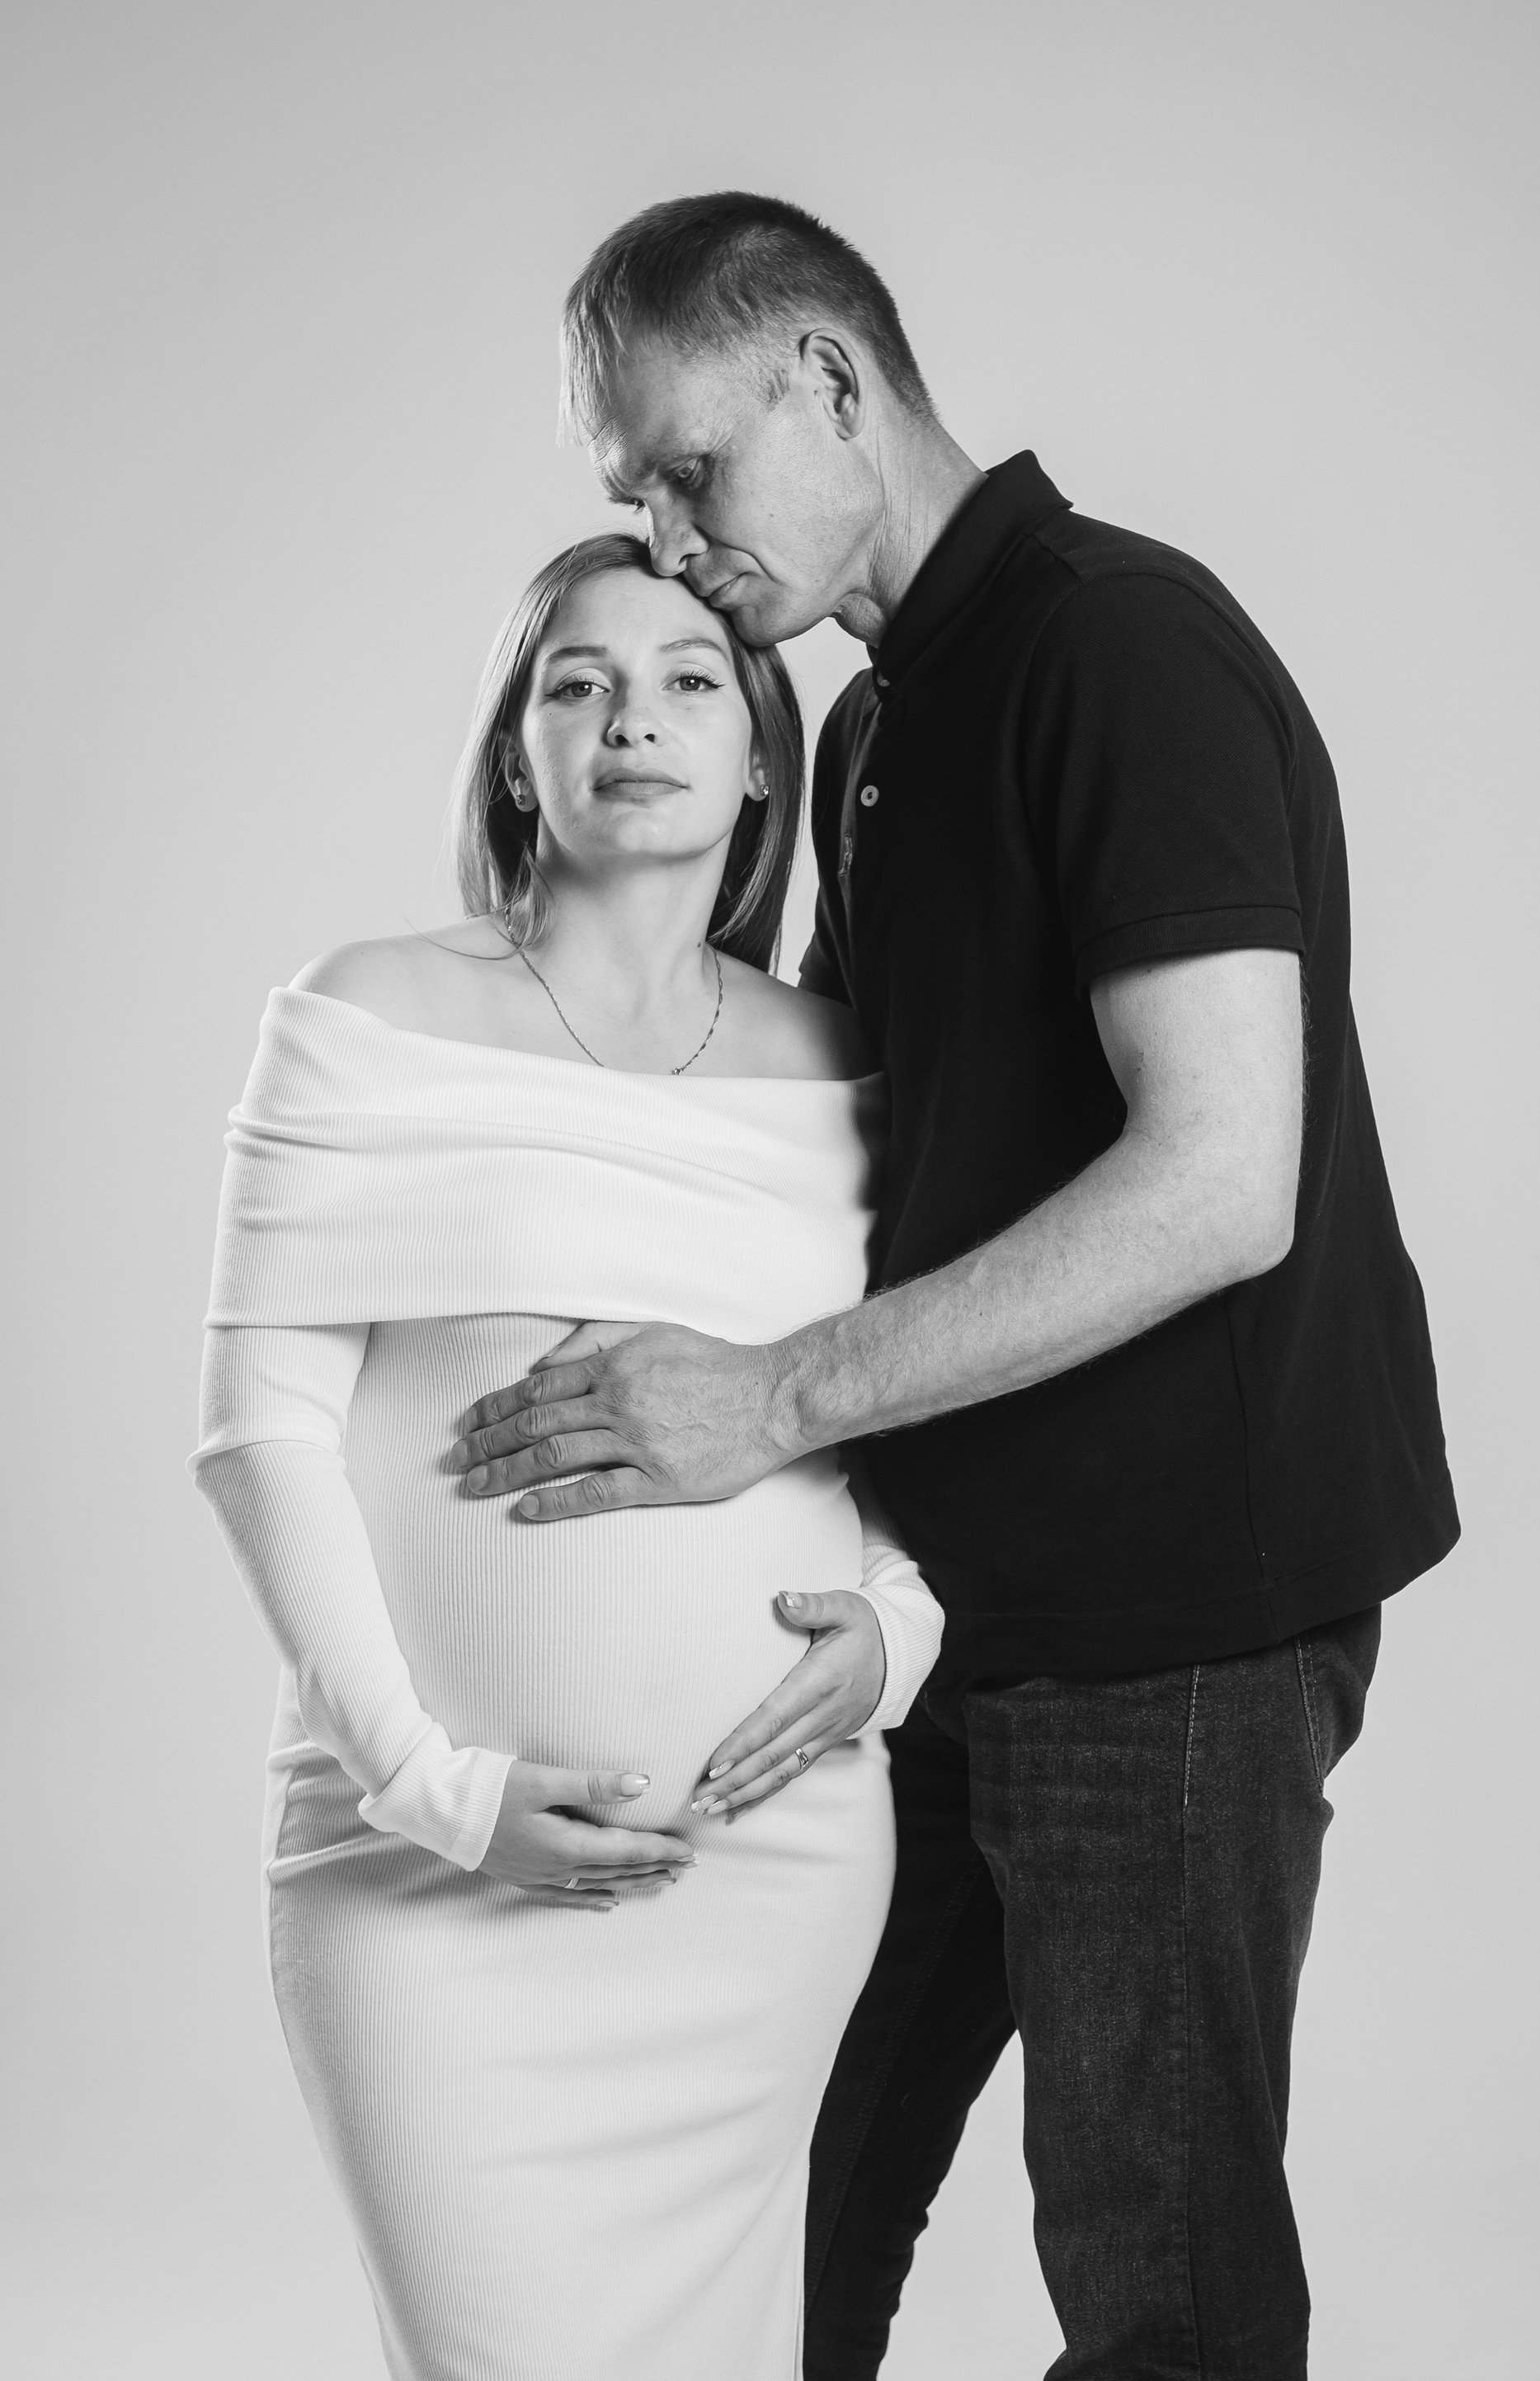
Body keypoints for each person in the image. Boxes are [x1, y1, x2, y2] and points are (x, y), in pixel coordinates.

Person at [450, 195, 1461, 2380]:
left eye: (688, 470)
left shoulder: (1119, 649)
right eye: (632, 494)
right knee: (758, 2220)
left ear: (828, 377)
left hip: (1173, 1632)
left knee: (1161, 2297)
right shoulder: (884, 721)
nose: (668, 539)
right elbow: (898, 1161)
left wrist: (770, 1400)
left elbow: (1220, 1181)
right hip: (957, 1622)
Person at [190, 532, 944, 2381]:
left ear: (760, 757)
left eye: (691, 681)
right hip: (427, 1874)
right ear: (515, 752)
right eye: (577, 682)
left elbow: (888, 1414)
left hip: (767, 1880)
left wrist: (897, 1634)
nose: (634, 720)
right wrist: (432, 1788)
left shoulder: (852, 1065)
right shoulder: (369, 1016)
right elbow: (258, 1436)